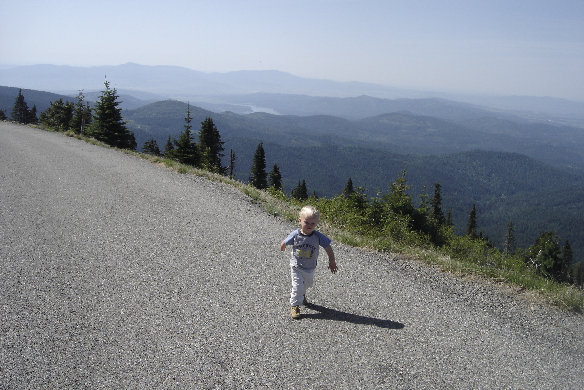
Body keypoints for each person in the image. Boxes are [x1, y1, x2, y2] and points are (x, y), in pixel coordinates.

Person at [280, 205, 337, 319]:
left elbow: (328, 247)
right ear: (300, 221)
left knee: (308, 284)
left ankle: (302, 294)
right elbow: (286, 240)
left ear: (316, 224)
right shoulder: (296, 234)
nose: (310, 226)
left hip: (310, 267)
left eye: (313, 224)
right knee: (297, 286)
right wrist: (283, 244)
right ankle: (295, 305)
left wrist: (332, 260)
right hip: (296, 266)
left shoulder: (317, 236)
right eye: (307, 222)